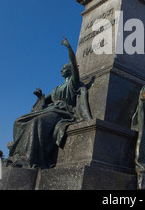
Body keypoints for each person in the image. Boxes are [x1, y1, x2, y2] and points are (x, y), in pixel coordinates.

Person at [6, 37, 92, 169]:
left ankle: (30, 159)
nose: (61, 70)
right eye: (62, 68)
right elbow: (44, 102)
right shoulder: (56, 89)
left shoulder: (73, 84)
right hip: (50, 110)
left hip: (62, 113)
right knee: (19, 121)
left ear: (70, 71)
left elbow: (75, 64)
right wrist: (40, 97)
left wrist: (69, 48)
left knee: (37, 122)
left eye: (64, 68)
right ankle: (17, 155)